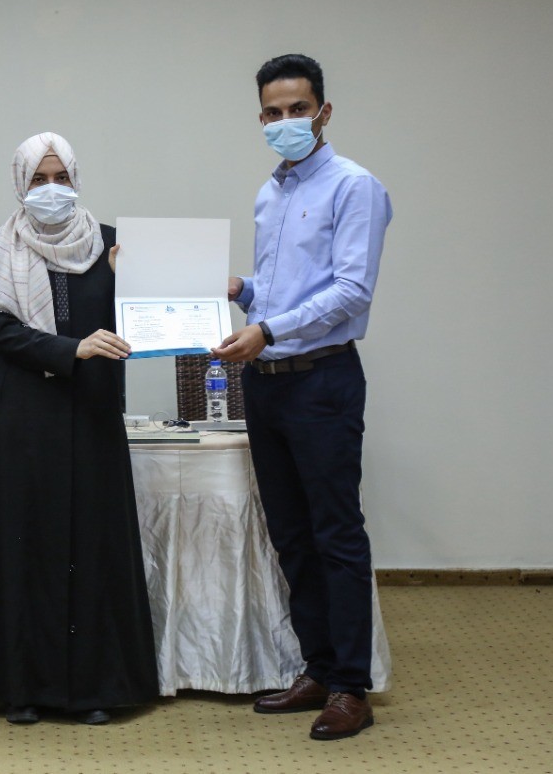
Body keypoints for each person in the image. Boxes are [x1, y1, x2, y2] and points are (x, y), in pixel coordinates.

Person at [212, 54, 392, 740]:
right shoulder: (272, 193)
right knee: (290, 534)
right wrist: (243, 292)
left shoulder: (355, 187)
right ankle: (318, 667)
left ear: (323, 112)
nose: (285, 121)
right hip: (267, 384)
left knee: (335, 533)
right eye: (273, 112)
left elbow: (351, 291)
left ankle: (350, 686)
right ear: (260, 117)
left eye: (298, 109)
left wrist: (267, 329)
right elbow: (282, 290)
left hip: (321, 381)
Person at [0, 132, 158, 726]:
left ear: (76, 179)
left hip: (90, 412)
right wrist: (73, 349)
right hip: (21, 415)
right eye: (39, 180)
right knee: (24, 546)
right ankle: (21, 688)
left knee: (91, 546)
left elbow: (139, 322)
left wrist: (133, 283)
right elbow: (4, 333)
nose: (51, 189)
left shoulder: (110, 244)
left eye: (61, 178)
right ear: (21, 184)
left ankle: (94, 688)